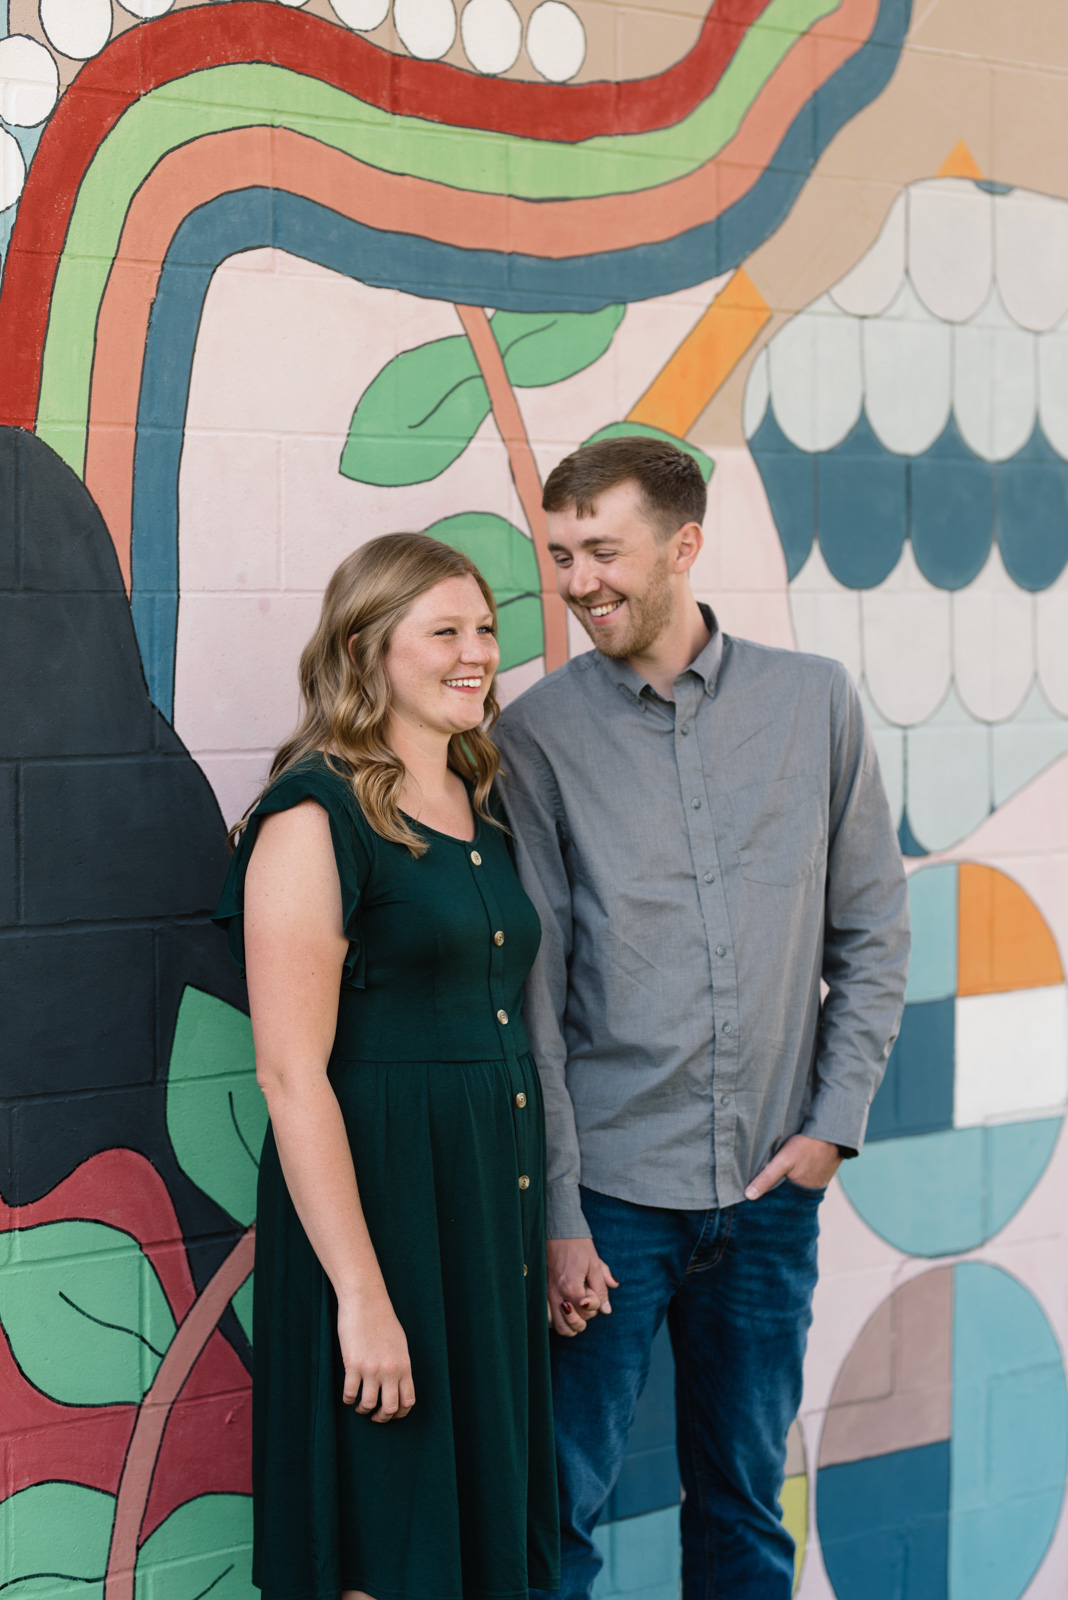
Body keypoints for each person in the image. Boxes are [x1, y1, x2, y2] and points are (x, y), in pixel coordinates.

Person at [494, 437, 910, 1600]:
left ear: (683, 545)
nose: (577, 581)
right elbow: (536, 995)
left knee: (743, 1509)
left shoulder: (813, 701)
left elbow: (873, 930)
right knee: (558, 1514)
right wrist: (561, 1213)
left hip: (771, 1196)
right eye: (562, 551)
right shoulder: (534, 739)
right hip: (611, 1206)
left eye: (602, 550)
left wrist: (831, 1128)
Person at [214, 533, 559, 1600]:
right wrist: (361, 1296)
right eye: (444, 630)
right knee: (387, 1525)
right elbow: (289, 1074)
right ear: (367, 648)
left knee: (471, 1525)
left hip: (482, 1225)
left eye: (487, 629)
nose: (478, 653)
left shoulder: (481, 801)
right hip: (384, 1218)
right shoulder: (316, 814)